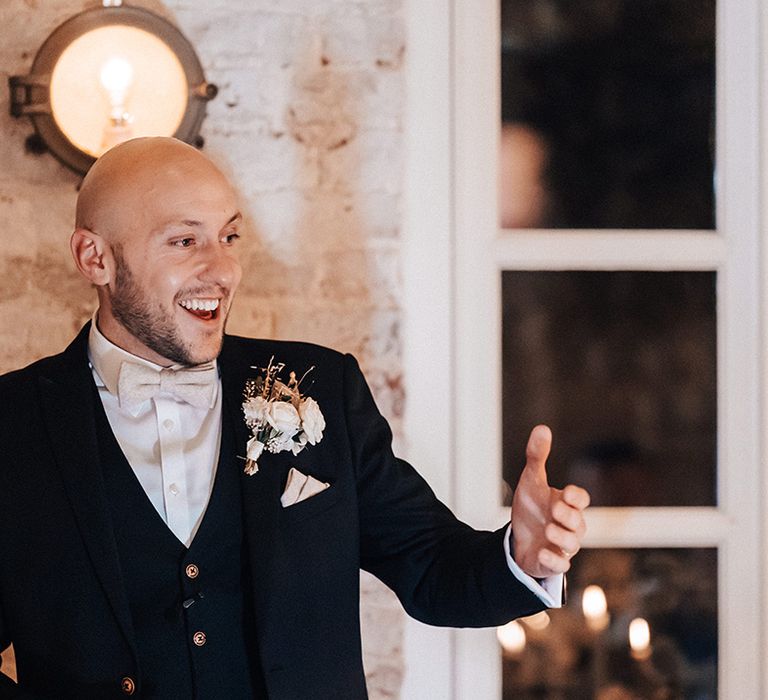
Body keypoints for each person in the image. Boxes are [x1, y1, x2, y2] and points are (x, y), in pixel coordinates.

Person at [0, 137, 589, 699]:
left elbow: (432, 567)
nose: (222, 270)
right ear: (94, 257)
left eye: (230, 237)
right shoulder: (13, 425)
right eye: (184, 242)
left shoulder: (320, 389)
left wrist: (521, 557)